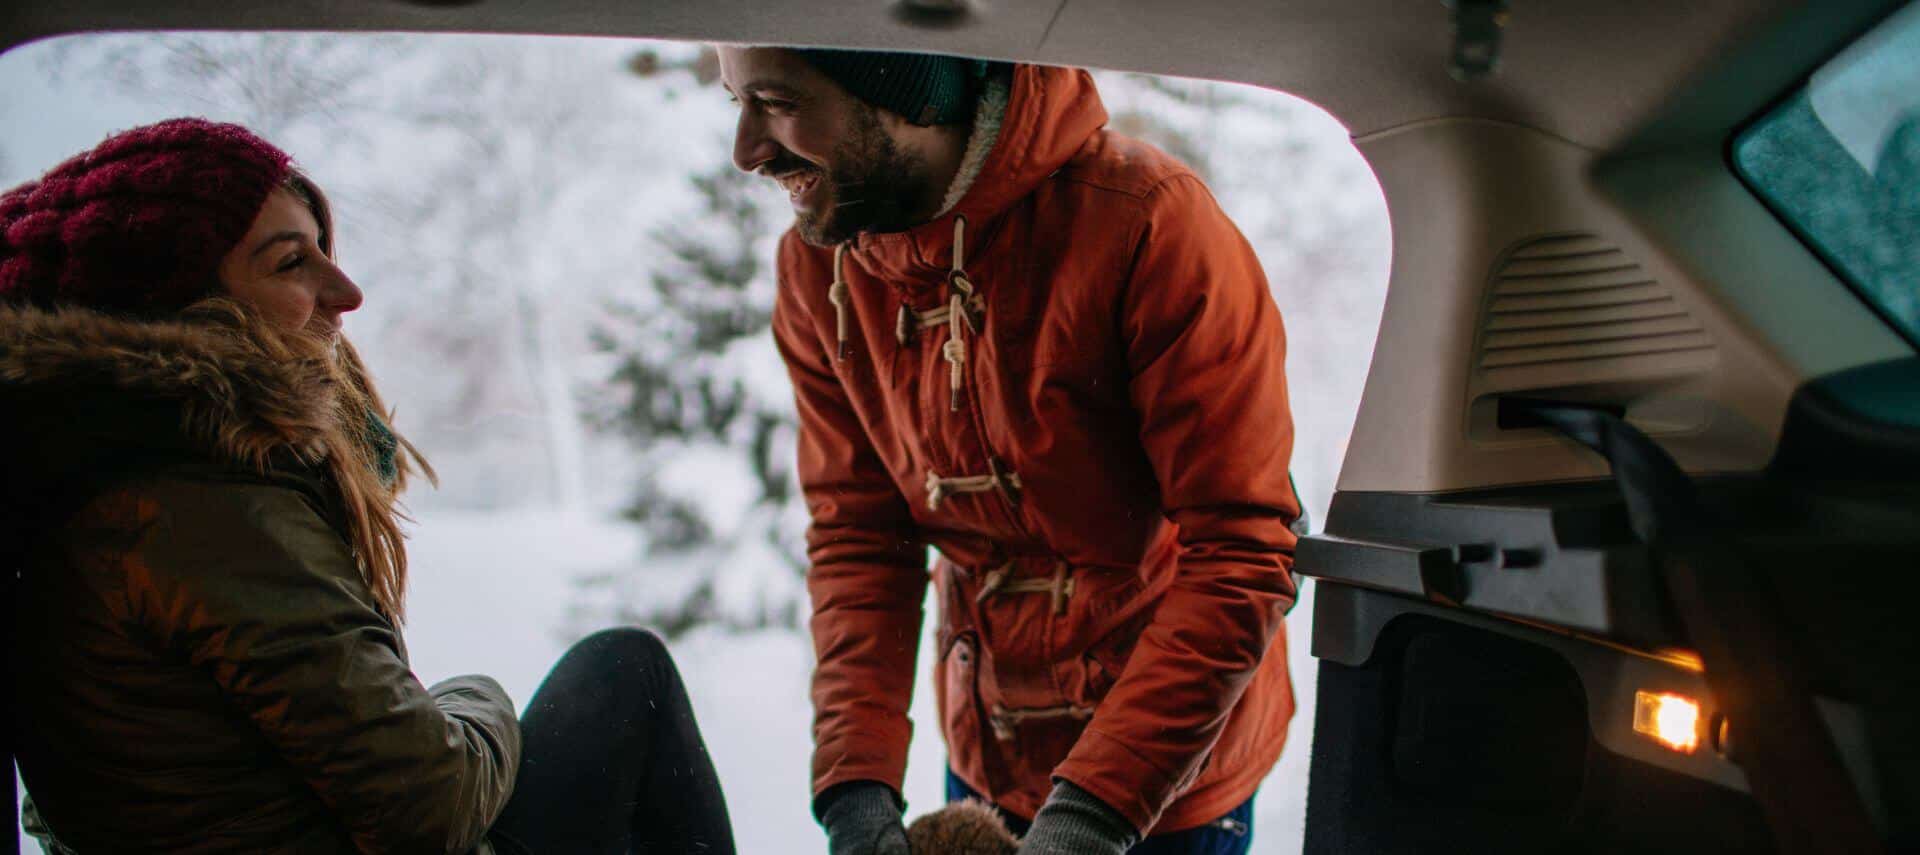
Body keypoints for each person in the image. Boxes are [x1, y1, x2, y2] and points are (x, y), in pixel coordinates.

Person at [0, 118, 736, 855]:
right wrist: (477, 697)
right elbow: (435, 807)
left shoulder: (104, 473)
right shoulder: (198, 508)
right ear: (183, 306)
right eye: (292, 263)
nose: (345, 291)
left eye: (325, 249)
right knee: (625, 672)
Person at [720, 48, 1302, 854]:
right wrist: (857, 788)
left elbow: (1241, 549)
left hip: (1170, 778)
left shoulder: (1150, 224)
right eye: (735, 103)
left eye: (776, 101)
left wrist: (1091, 818)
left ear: (899, 87)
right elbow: (860, 537)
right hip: (988, 754)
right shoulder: (816, 267)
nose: (746, 149)